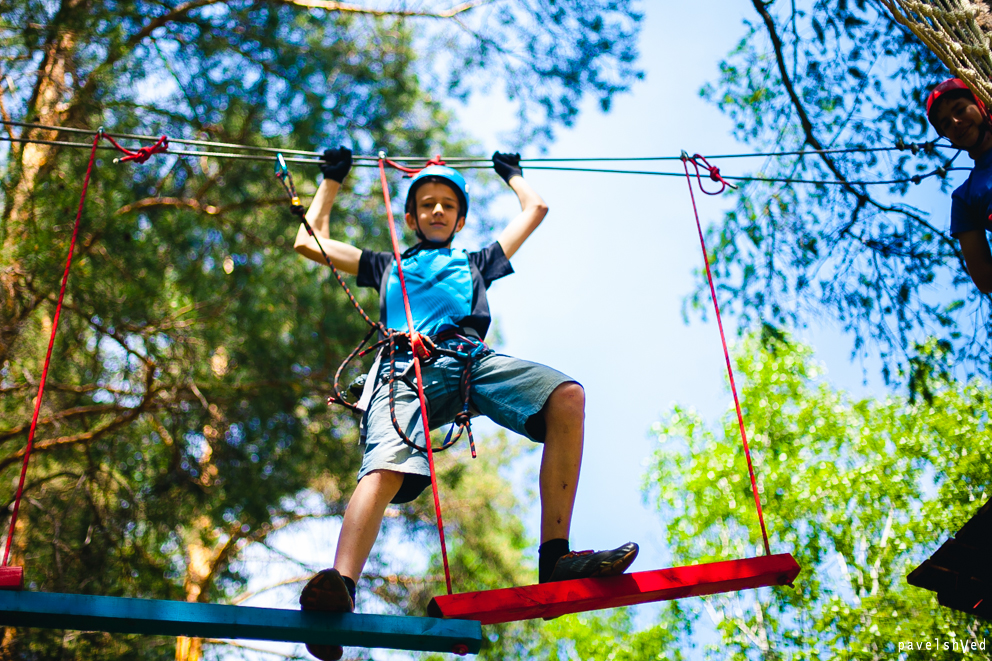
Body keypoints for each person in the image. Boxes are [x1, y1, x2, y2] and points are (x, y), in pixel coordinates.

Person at [291, 147, 638, 660]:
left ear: (459, 218)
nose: (436, 211)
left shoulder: (476, 262)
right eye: (426, 204)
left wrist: (513, 176)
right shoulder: (385, 264)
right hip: (401, 368)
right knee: (384, 468)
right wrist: (332, 181)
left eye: (447, 205)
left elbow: (536, 210)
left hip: (469, 360)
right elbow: (308, 240)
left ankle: (556, 556)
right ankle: (339, 588)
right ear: (409, 217)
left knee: (566, 398)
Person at [927, 78, 992, 292]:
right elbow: (984, 278)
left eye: (961, 109)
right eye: (946, 124)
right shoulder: (964, 197)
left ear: (980, 103)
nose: (955, 122)